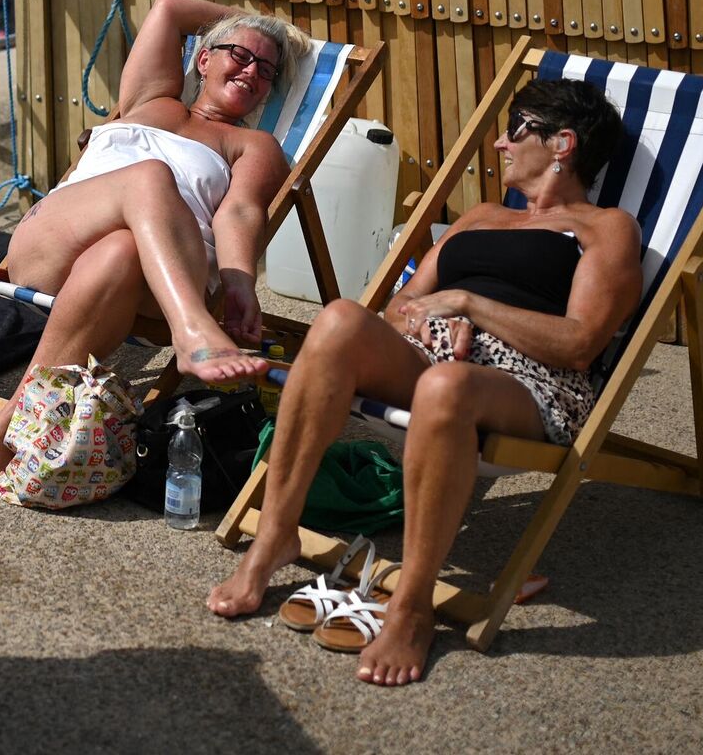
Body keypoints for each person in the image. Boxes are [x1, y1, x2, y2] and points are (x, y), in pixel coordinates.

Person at [205, 79, 642, 686]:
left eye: (516, 130)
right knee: (337, 321)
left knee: (447, 387)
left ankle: (411, 607)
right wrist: (432, 319)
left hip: (528, 383)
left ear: (562, 143)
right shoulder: (482, 218)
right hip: (434, 357)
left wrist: (467, 303)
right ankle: (274, 536)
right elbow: (400, 306)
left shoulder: (605, 228)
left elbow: (578, 344)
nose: (498, 144)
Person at [0, 0, 304, 486]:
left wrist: (239, 285)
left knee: (121, 248)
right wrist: (258, 18)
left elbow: (241, 212)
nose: (252, 72)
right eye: (239, 55)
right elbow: (169, 9)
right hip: (52, 242)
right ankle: (192, 331)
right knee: (149, 176)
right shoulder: (150, 100)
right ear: (203, 59)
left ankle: (7, 428)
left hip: (153, 279)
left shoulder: (256, 146)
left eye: (267, 69)